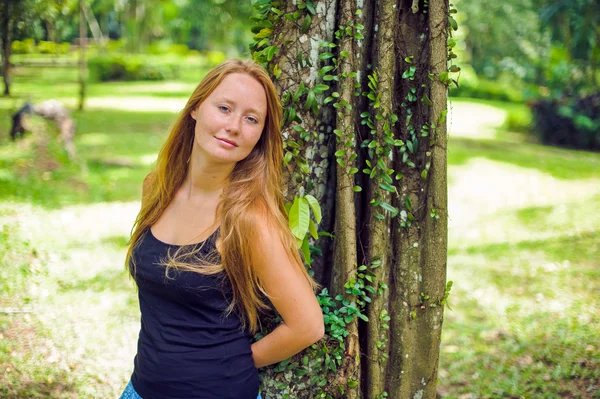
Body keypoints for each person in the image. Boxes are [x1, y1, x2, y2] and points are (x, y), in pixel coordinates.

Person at [120, 59, 325, 399]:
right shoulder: (156, 188)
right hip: (140, 390)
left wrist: (230, 361)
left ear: (260, 135)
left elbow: (307, 325)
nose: (234, 126)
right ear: (196, 108)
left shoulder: (250, 221)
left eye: (251, 119)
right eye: (225, 108)